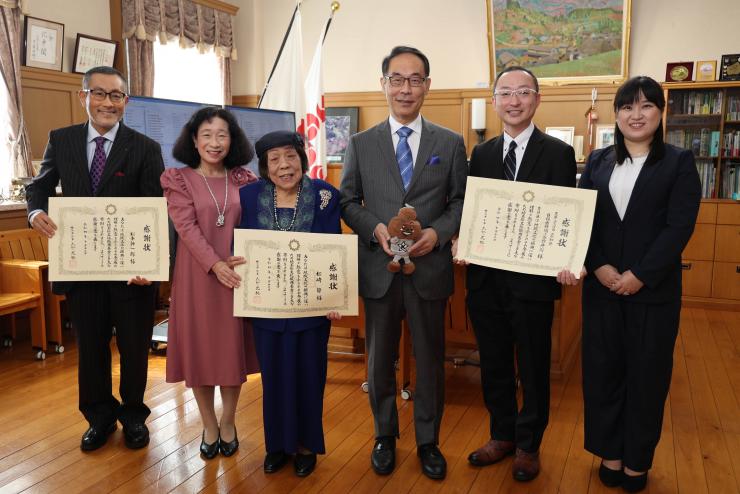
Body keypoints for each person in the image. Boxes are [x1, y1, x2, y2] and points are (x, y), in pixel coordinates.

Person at [557, 76, 701, 492]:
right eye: (626, 107)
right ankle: (610, 452)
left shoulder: (678, 162)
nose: (635, 115)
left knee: (647, 375)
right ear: (616, 115)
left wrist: (640, 274)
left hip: (653, 293)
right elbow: (584, 221)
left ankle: (637, 459)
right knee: (603, 372)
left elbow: (678, 228)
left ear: (661, 113)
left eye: (646, 106)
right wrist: (598, 265)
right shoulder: (599, 161)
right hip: (601, 291)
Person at [340, 46, 468, 480]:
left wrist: (438, 234)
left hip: (428, 269)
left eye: (415, 79)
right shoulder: (360, 143)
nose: (406, 88)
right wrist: (375, 227)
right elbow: (347, 201)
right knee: (378, 360)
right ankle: (384, 434)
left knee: (430, 358)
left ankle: (428, 441)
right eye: (397, 79)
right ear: (384, 85)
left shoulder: (449, 143)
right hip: (379, 268)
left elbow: (459, 201)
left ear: (427, 86)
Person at [26, 66, 164, 451]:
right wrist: (36, 213)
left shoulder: (145, 148)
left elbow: (157, 210)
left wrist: (149, 267)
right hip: (82, 267)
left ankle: (134, 416)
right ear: (83, 95)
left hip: (132, 272)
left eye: (115, 95)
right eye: (99, 93)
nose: (107, 102)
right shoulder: (62, 140)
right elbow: (38, 188)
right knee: (91, 348)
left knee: (135, 348)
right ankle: (99, 417)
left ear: (126, 101)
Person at [457, 66, 577, 481]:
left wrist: (568, 256)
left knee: (533, 365)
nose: (514, 100)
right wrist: (463, 241)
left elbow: (567, 217)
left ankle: (529, 444)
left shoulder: (559, 154)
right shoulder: (482, 155)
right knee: (492, 363)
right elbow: (474, 212)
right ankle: (501, 434)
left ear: (537, 99)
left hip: (534, 285)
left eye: (523, 92)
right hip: (486, 282)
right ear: (494, 102)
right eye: (505, 93)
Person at [239, 130, 342, 477]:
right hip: (266, 307)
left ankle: (306, 446)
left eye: (290, 156)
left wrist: (336, 295)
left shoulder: (326, 195)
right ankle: (277, 446)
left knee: (309, 376)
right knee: (274, 377)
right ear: (264, 166)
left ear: (302, 158)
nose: (284, 165)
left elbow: (334, 249)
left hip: (312, 308)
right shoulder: (249, 196)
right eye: (275, 159)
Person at [161, 107, 259, 459]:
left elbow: (255, 225)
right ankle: (208, 424)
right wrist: (214, 264)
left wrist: (236, 256)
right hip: (197, 277)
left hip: (237, 274)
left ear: (232, 140)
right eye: (207, 134)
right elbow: (185, 229)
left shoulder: (244, 179)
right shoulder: (178, 179)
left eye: (222, 134)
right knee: (201, 354)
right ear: (194, 140)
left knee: (231, 353)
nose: (214, 142)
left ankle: (229, 422)